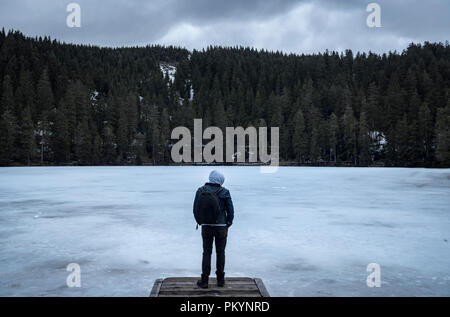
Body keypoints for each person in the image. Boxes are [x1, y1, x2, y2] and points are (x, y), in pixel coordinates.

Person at [193, 170, 235, 288]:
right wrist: (229, 222)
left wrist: (200, 221)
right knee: (220, 252)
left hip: (206, 226)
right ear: (221, 180)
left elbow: (195, 208)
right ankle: (220, 280)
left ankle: (205, 281)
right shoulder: (225, 192)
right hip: (221, 227)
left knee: (207, 252)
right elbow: (230, 210)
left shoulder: (201, 190)